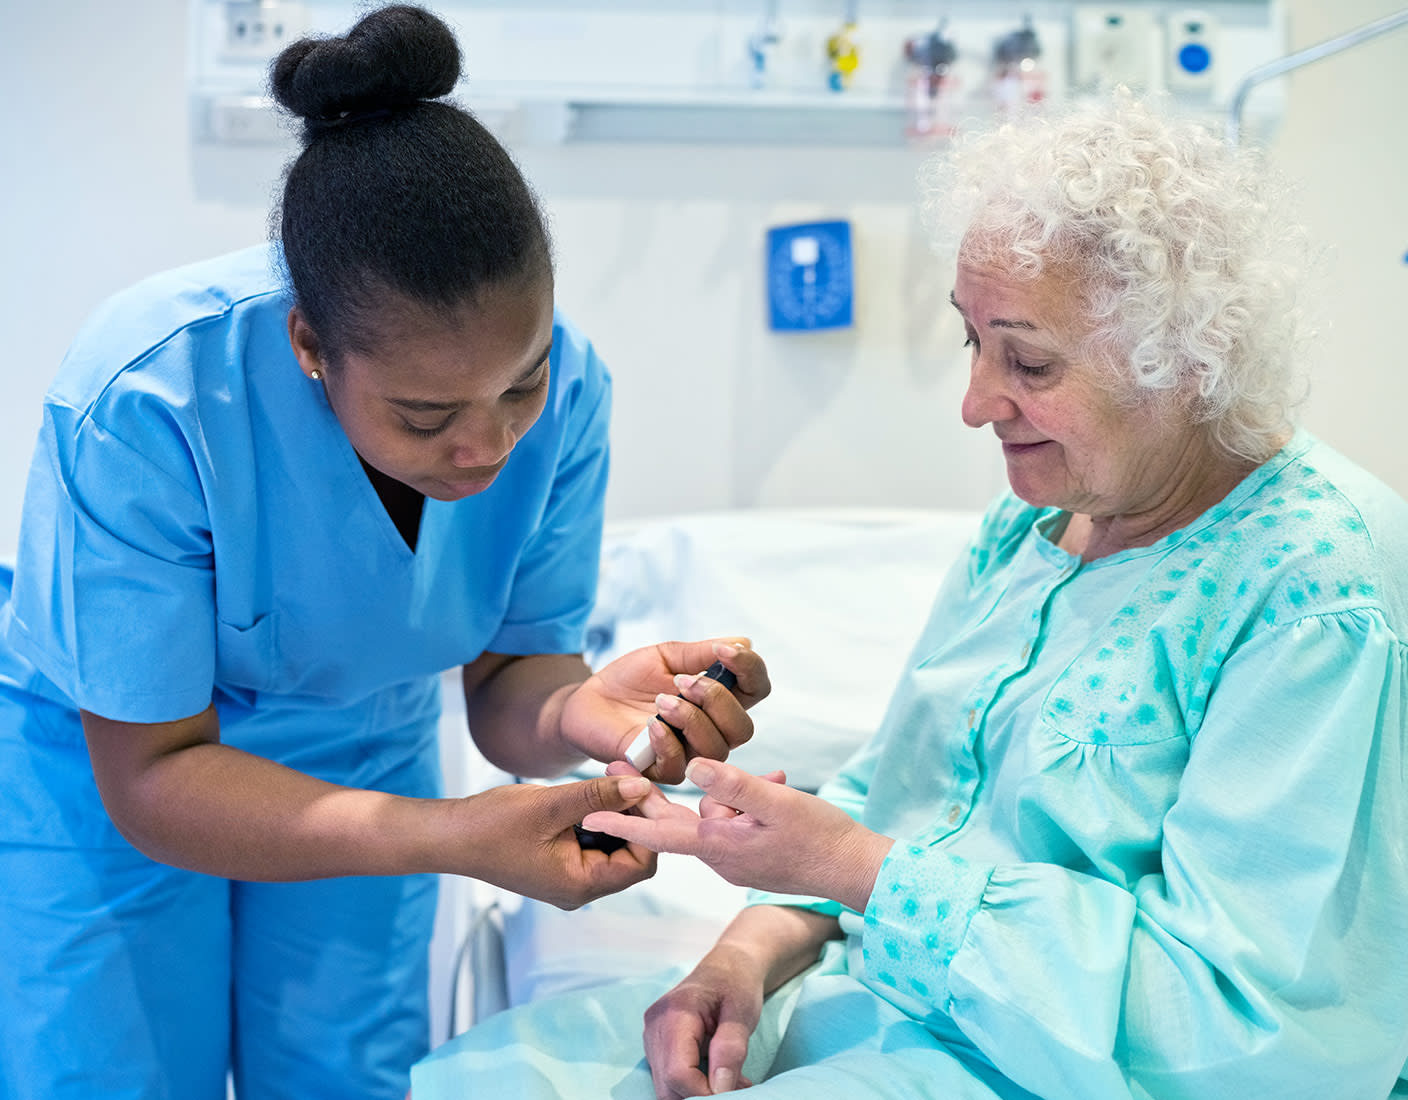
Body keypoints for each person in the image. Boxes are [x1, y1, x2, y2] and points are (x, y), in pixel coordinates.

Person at [410, 92, 1408, 1099]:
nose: (975, 402)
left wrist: (863, 870)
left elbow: (1252, 1025)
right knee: (475, 1079)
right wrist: (744, 955)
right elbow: (893, 802)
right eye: (972, 342)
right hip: (885, 998)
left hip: (1068, 1073)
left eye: (1027, 359)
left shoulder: (1314, 594)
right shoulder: (1031, 530)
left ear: (1184, 360)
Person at [0, 6, 768, 1100]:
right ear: (311, 346)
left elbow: (509, 686)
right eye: (423, 416)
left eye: (520, 385)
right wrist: (452, 833)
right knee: (110, 1075)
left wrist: (591, 713)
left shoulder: (575, 387)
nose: (488, 444)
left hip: (362, 738)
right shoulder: (148, 397)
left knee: (340, 1075)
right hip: (115, 757)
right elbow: (155, 773)